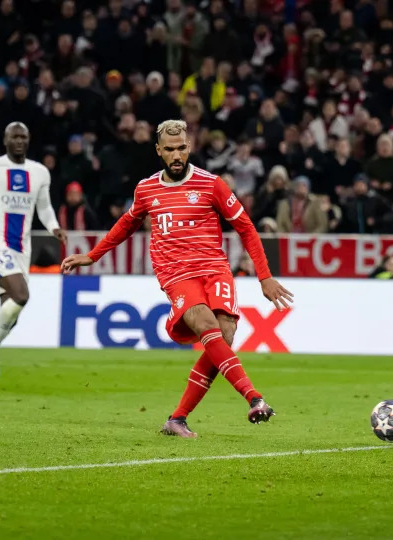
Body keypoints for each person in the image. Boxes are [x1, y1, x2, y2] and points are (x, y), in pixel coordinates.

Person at [61, 120, 293, 436]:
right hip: (177, 273)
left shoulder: (212, 184)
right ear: (159, 150)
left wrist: (264, 277)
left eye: (181, 147)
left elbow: (246, 228)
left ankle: (177, 419)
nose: (176, 154)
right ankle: (254, 398)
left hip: (215, 269)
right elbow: (126, 224)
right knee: (206, 324)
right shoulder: (146, 190)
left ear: (189, 147)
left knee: (223, 336)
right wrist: (92, 255)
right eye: (169, 149)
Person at [0, 122, 67, 389]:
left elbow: (44, 207)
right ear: (5, 140)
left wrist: (53, 226)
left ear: (28, 140)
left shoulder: (39, 172)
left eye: (23, 137)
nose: (19, 141)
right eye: (14, 137)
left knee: (10, 316)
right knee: (21, 295)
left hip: (21, 248)